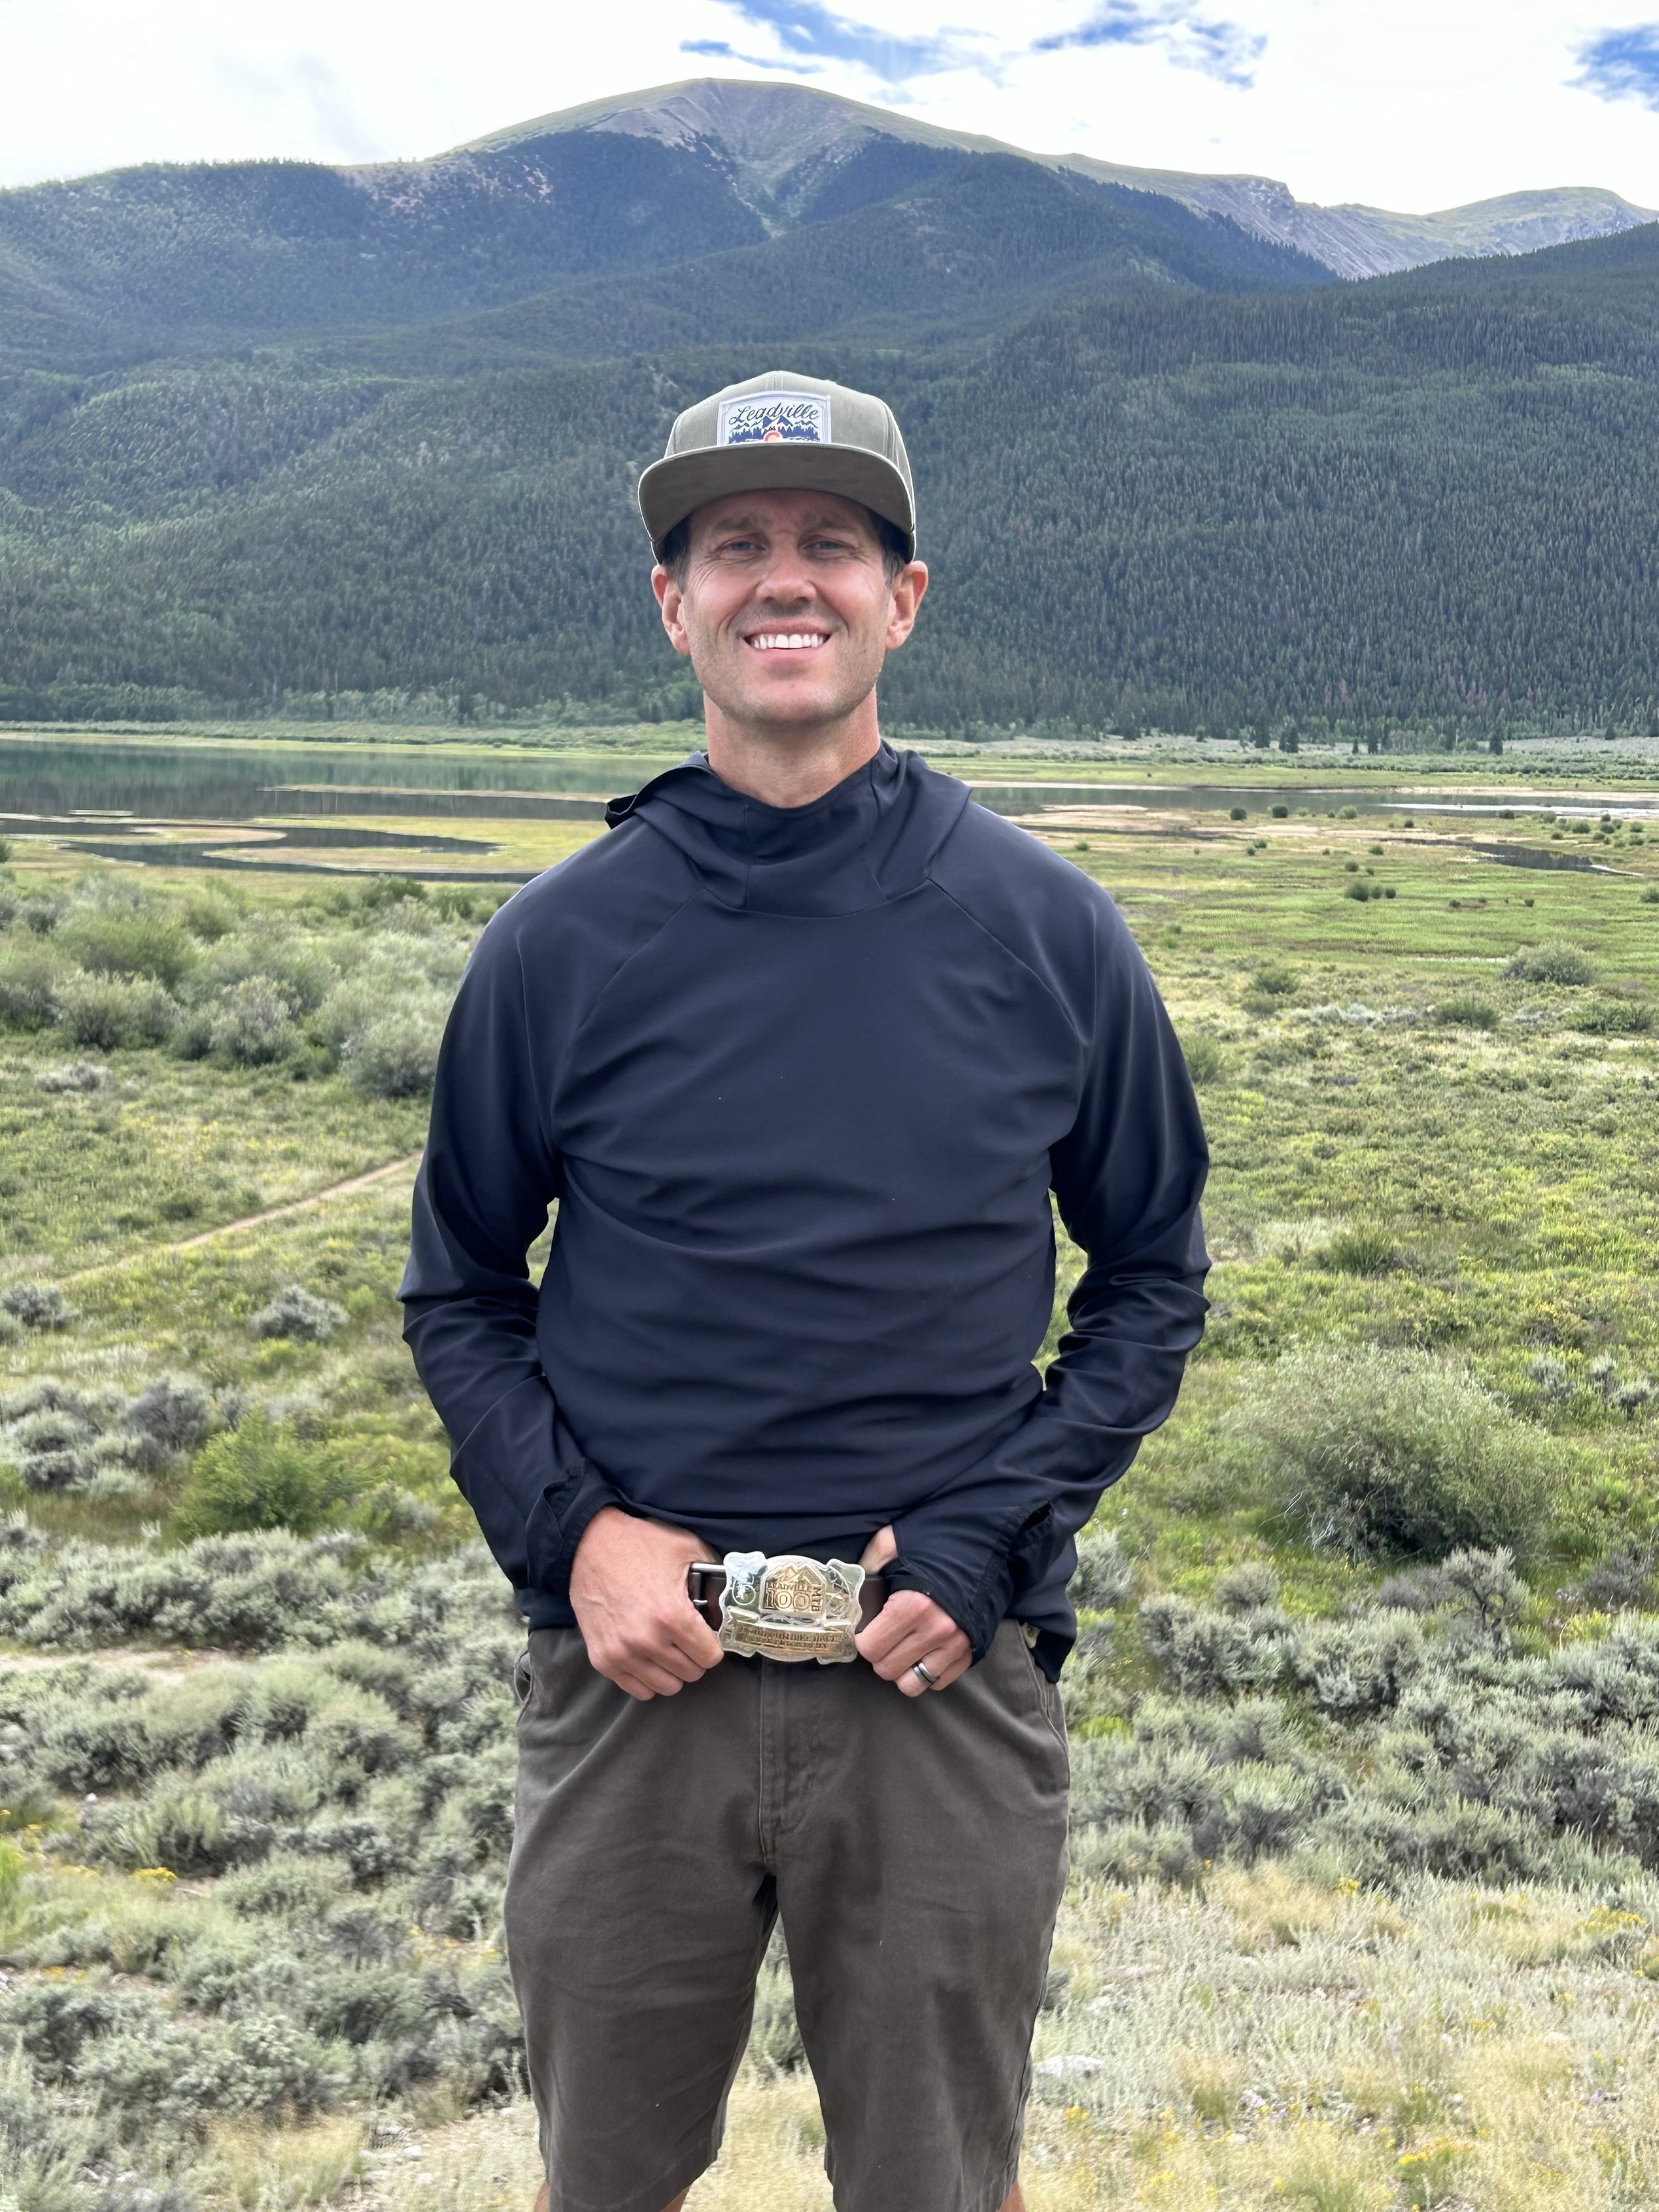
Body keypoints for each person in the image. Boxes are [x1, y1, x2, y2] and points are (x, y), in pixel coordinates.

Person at [399, 368, 1210, 2212]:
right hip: (631, 1679)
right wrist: (575, 1537)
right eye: (734, 546)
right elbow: (460, 1291)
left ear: (900, 599)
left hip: (939, 1675)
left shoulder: (1045, 928)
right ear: (671, 602)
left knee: (940, 2187)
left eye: (831, 544)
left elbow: (1153, 1274)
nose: (785, 579)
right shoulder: (557, 945)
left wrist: (992, 1536)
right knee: (603, 2183)